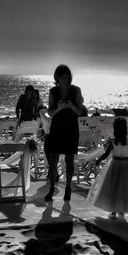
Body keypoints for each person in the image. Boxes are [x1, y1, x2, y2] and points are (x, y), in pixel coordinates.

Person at [45, 65, 83, 201]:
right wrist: (59, 108)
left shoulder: (76, 90)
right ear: (57, 78)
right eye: (61, 77)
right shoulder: (53, 91)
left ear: (69, 77)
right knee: (53, 159)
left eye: (66, 76)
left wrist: (71, 106)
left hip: (71, 128)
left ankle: (68, 188)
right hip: (57, 128)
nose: (64, 79)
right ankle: (51, 188)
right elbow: (49, 112)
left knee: (69, 160)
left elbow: (80, 112)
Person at [90, 118, 128, 219]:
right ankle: (122, 209)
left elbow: (106, 154)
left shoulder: (112, 141)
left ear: (115, 129)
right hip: (126, 166)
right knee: (125, 188)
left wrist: (99, 160)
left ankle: (113, 211)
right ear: (125, 129)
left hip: (115, 164)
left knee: (113, 187)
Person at [39, 108, 60, 181]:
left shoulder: (48, 120)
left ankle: (55, 173)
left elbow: (41, 111)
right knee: (55, 158)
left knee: (49, 157)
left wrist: (48, 109)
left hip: (49, 138)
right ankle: (53, 173)